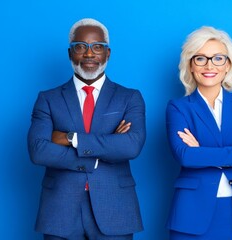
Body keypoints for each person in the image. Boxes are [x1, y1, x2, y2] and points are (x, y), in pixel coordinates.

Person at [27, 18, 146, 240]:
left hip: (115, 209)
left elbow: (130, 147)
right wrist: (106, 147)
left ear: (107, 53)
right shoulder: (48, 99)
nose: (89, 54)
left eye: (97, 47)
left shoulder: (129, 98)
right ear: (70, 53)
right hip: (60, 210)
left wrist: (72, 138)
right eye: (80, 46)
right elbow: (38, 151)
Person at [165, 26, 232, 240]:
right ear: (190, 65)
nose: (209, 65)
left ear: (228, 65)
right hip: (192, 214)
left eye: (218, 58)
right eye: (200, 58)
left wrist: (202, 152)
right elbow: (185, 156)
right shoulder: (178, 108)